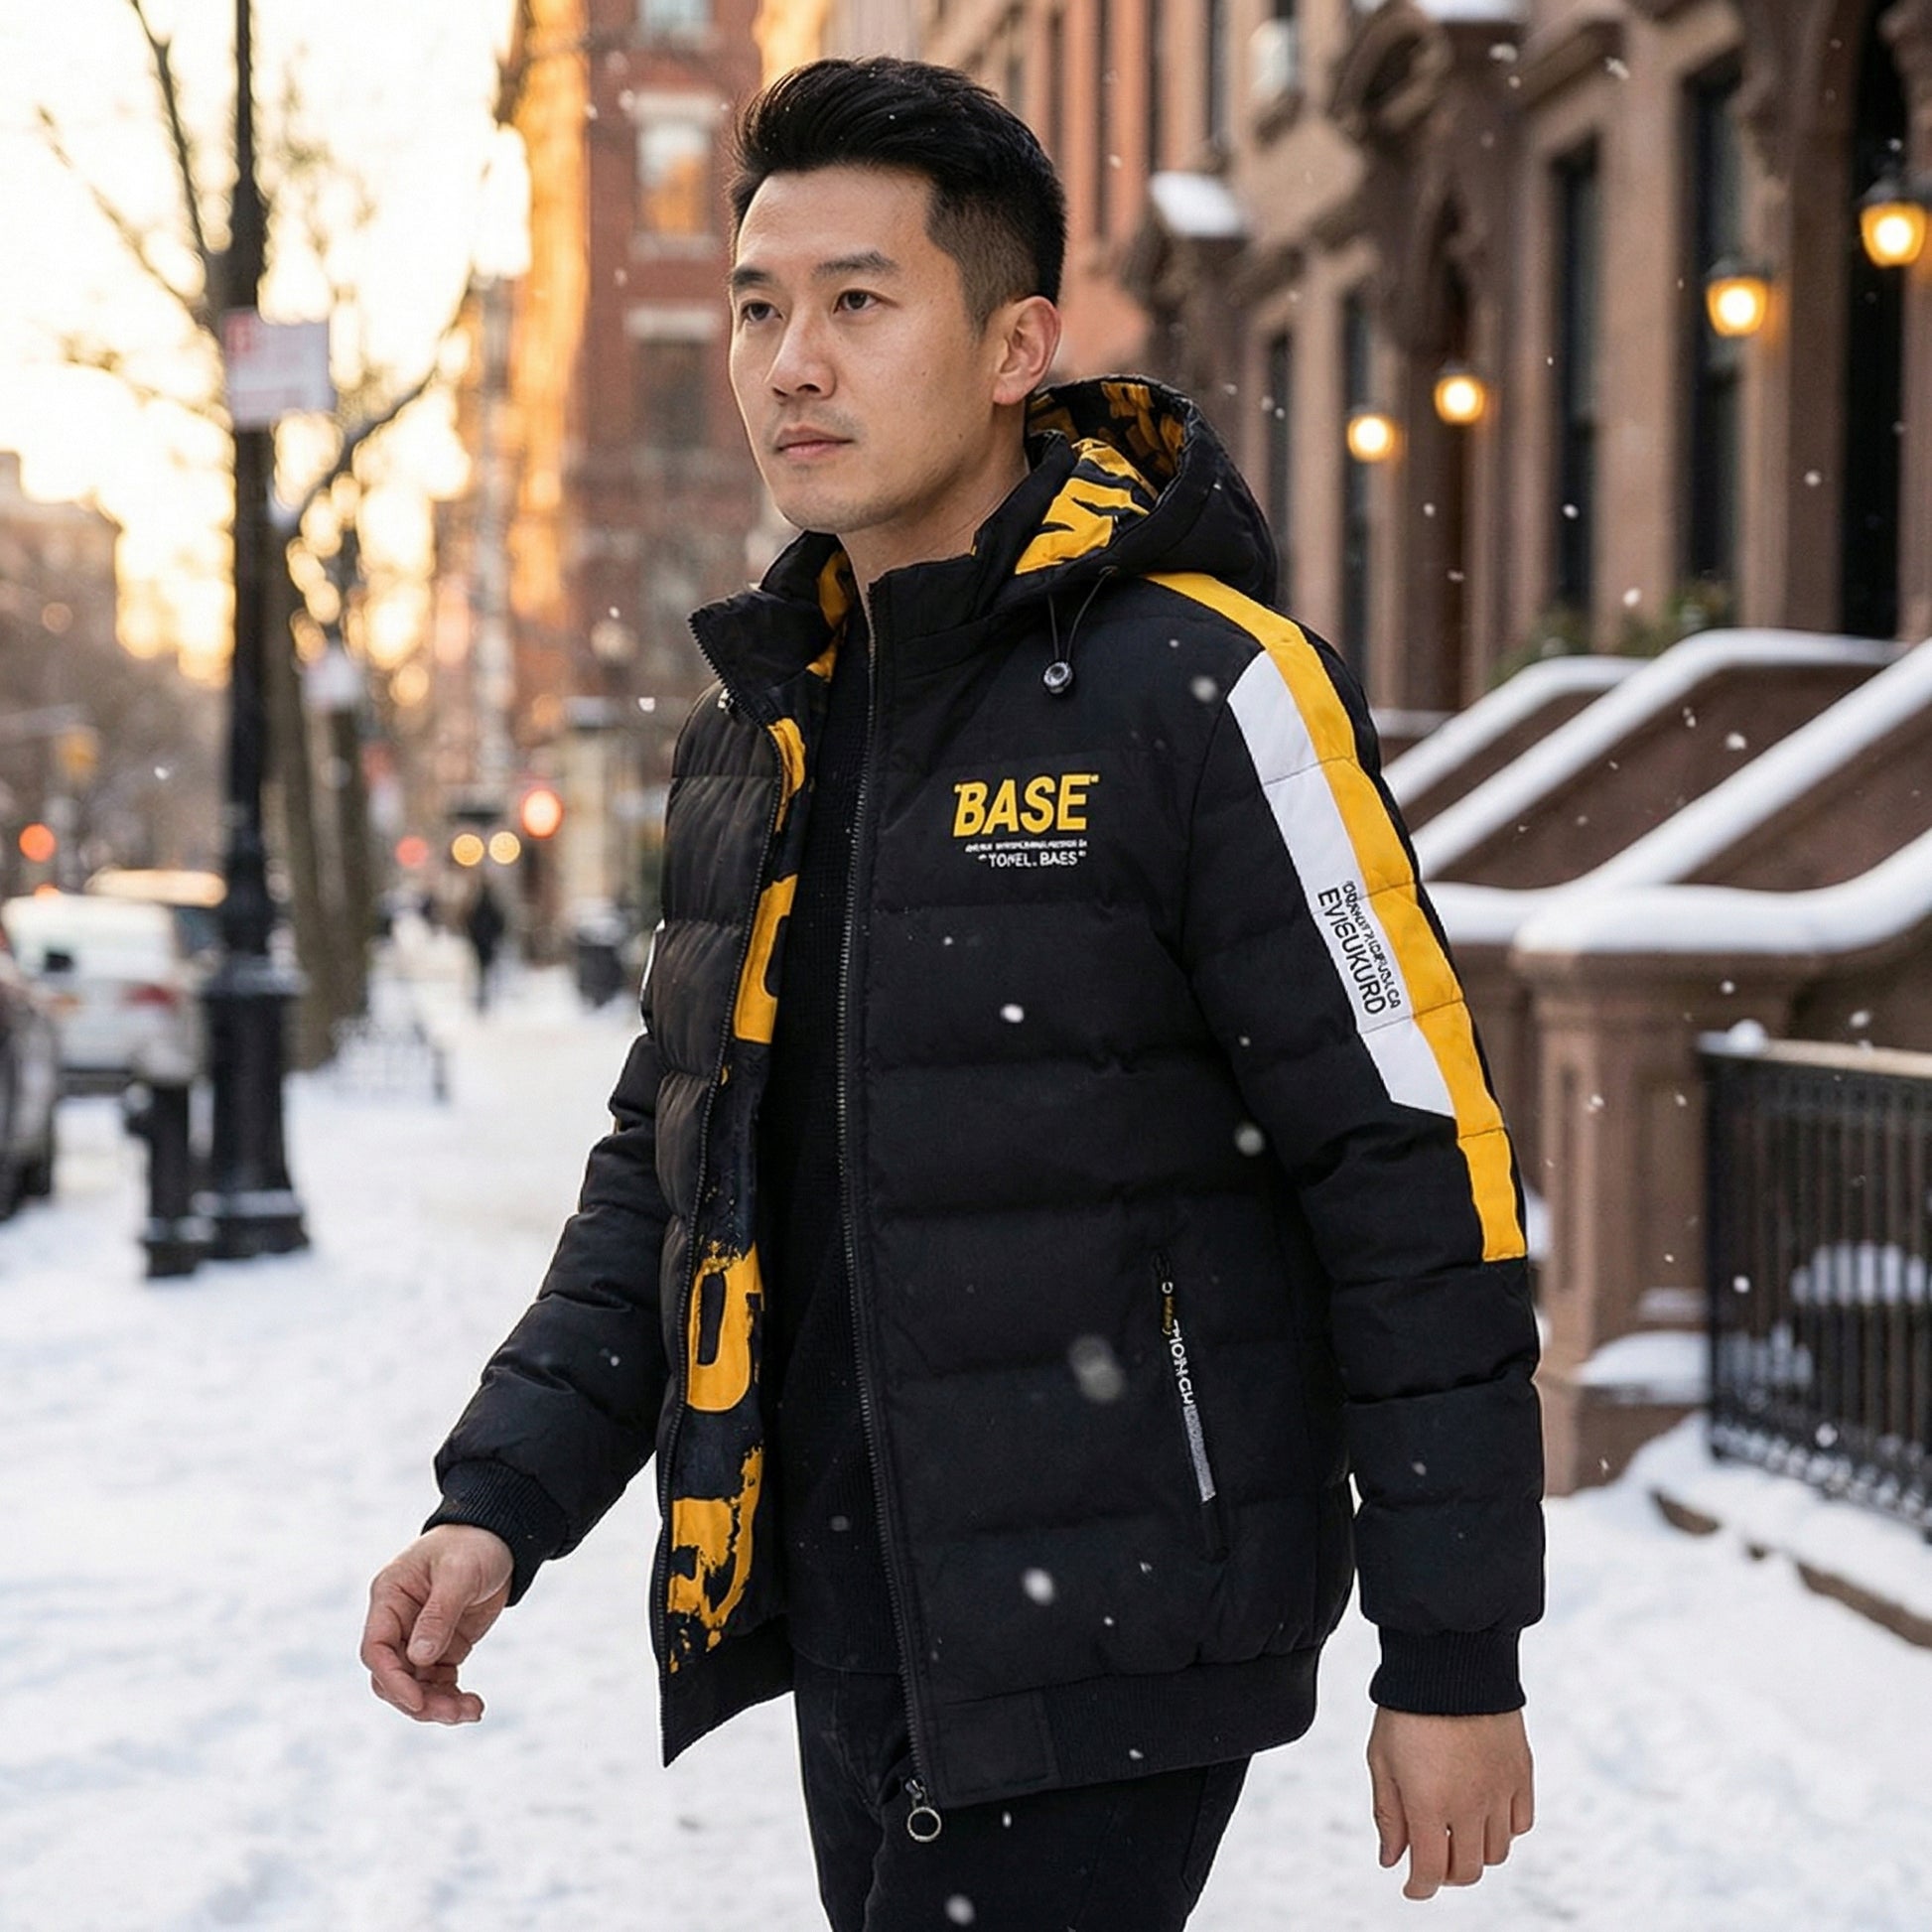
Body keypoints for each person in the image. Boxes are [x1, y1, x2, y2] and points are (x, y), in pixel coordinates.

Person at [362, 58, 1542, 1929]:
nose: (787, 363)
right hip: (854, 1601)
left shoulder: (1212, 694)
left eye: (857, 301)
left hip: (1121, 1622)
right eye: (758, 309)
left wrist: (1454, 1648)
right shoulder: (759, 733)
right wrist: (500, 1496)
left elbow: (1413, 1171)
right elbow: (673, 1166)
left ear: (1015, 348)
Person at [461, 879, 506, 1014]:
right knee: (486, 972)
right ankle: (485, 997)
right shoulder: (488, 906)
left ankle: (484, 997)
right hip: (485, 943)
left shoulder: (479, 906)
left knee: (483, 972)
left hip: (482, 943)